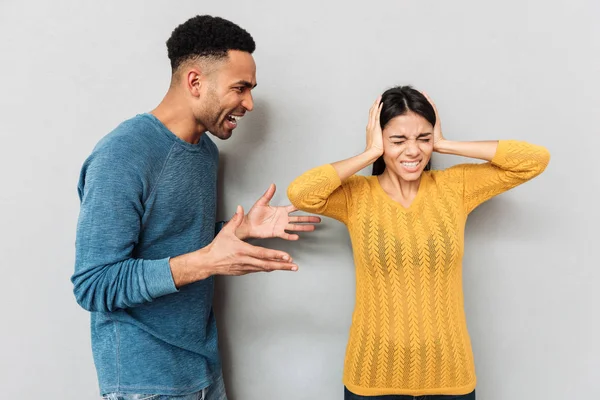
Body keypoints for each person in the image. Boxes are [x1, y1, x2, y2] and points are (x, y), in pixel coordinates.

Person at [72, 15, 320, 400]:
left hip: (202, 369)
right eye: (240, 88)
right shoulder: (123, 155)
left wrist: (238, 230)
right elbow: (93, 283)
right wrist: (209, 261)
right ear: (194, 81)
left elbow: (173, 241)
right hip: (145, 383)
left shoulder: (205, 151)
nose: (249, 103)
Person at [287, 86, 550, 399]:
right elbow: (301, 193)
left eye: (423, 139)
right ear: (378, 137)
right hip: (371, 374)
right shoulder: (356, 195)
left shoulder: (455, 187)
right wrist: (370, 153)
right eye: (398, 140)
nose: (413, 151)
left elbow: (534, 159)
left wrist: (445, 144)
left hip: (450, 372)